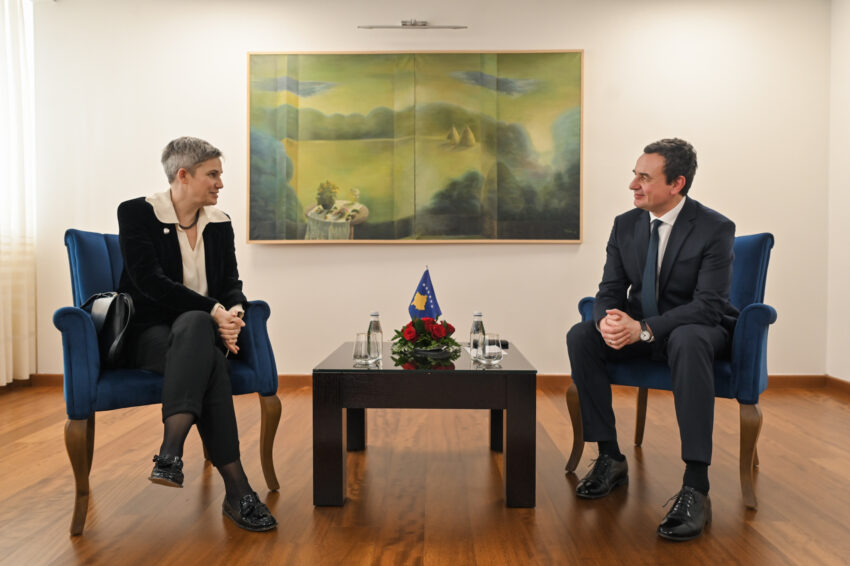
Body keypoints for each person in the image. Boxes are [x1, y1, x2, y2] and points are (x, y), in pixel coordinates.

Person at [566, 138, 737, 541]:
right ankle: (610, 456)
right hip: (641, 327)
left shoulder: (715, 228)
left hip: (696, 330)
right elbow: (610, 289)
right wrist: (609, 321)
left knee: (688, 340)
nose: (633, 185)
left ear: (676, 184)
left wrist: (644, 328)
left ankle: (696, 486)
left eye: (644, 177)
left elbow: (708, 307)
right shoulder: (626, 225)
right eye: (634, 175)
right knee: (581, 335)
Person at [117, 136, 277, 532]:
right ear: (184, 175)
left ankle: (170, 453)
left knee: (197, 326)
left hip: (204, 334)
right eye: (213, 174)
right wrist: (214, 312)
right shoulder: (137, 213)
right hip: (150, 335)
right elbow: (150, 282)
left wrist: (233, 313)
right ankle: (238, 491)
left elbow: (231, 283)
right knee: (202, 340)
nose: (221, 183)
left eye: (220, 174)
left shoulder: (219, 223)